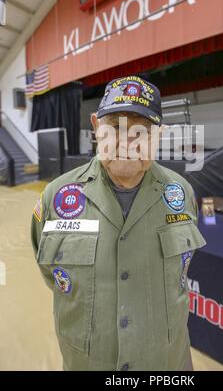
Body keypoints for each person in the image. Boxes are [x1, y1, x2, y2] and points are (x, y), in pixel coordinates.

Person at [31, 75, 206, 371]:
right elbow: (54, 277)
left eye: (142, 130)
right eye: (115, 127)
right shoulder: (55, 198)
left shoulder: (181, 193)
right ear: (96, 127)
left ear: (158, 135)